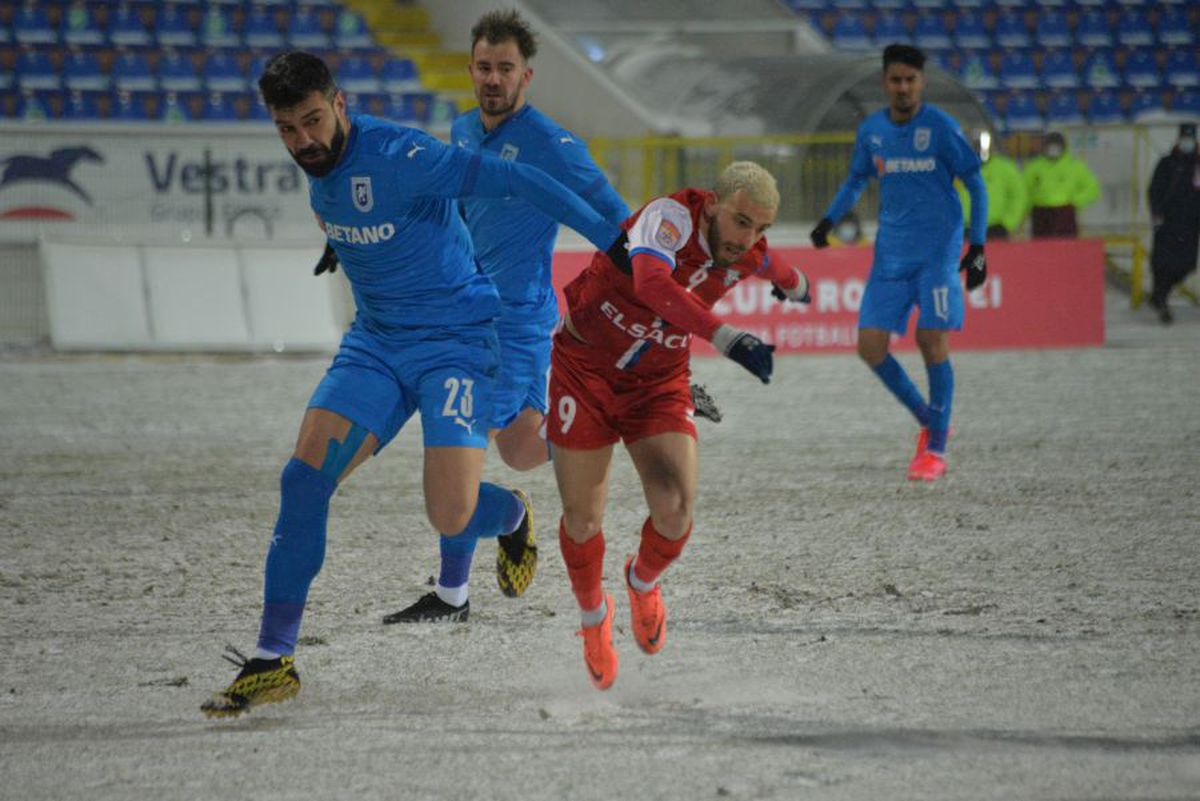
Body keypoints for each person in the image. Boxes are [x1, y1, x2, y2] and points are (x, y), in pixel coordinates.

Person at [201, 50, 621, 718]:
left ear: (339, 103)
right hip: (375, 343)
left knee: (449, 513)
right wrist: (344, 244)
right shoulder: (321, 170)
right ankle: (273, 658)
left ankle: (511, 514)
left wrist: (615, 244)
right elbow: (361, 215)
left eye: (312, 120)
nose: (303, 140)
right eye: (287, 129)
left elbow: (519, 182)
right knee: (302, 480)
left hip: (457, 342)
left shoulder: (403, 153)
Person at [377, 9, 631, 623]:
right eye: (485, 67)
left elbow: (618, 222)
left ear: (527, 76)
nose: (494, 78)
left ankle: (457, 588)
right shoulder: (461, 130)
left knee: (485, 453)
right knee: (498, 449)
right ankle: (495, 539)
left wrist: (644, 295)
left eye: (506, 69)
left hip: (516, 326)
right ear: (471, 70)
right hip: (463, 316)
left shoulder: (554, 145)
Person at [548, 161, 810, 690]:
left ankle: (641, 582)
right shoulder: (669, 218)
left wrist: (797, 285)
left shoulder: (749, 250)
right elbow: (651, 283)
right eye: (741, 221)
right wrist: (728, 337)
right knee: (582, 520)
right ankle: (593, 618)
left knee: (675, 511)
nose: (748, 238)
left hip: (658, 382)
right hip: (584, 370)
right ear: (713, 204)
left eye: (760, 228)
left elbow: (776, 268)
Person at [810, 43, 988, 482]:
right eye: (896, 80)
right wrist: (829, 220)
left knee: (931, 339)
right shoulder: (873, 131)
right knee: (869, 347)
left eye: (910, 80)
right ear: (885, 83)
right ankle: (930, 420)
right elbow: (855, 179)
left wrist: (978, 246)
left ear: (921, 83)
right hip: (890, 255)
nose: (903, 87)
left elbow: (975, 185)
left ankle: (936, 451)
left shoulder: (942, 128)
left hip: (937, 255)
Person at [1147, 122, 1200, 325]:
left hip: (1191, 224)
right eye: (1184, 138)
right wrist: (1157, 213)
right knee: (1163, 264)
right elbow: (1154, 190)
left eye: (1190, 139)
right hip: (1168, 222)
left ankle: (1159, 295)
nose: (1187, 143)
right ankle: (1161, 299)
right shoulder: (1167, 163)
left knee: (1186, 265)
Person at [1023, 131, 1100, 239]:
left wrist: (1074, 202)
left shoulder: (1074, 166)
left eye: (1056, 147)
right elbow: (1023, 190)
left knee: (1066, 248)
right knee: (1041, 248)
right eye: (1050, 147)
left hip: (1065, 213)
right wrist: (1027, 207)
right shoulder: (1034, 167)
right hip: (1040, 212)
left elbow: (1092, 188)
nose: (1053, 150)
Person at [957, 130, 1026, 240]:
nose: (979, 150)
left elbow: (1018, 196)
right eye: (976, 146)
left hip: (996, 229)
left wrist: (1008, 224)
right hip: (966, 229)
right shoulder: (958, 169)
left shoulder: (1005, 168)